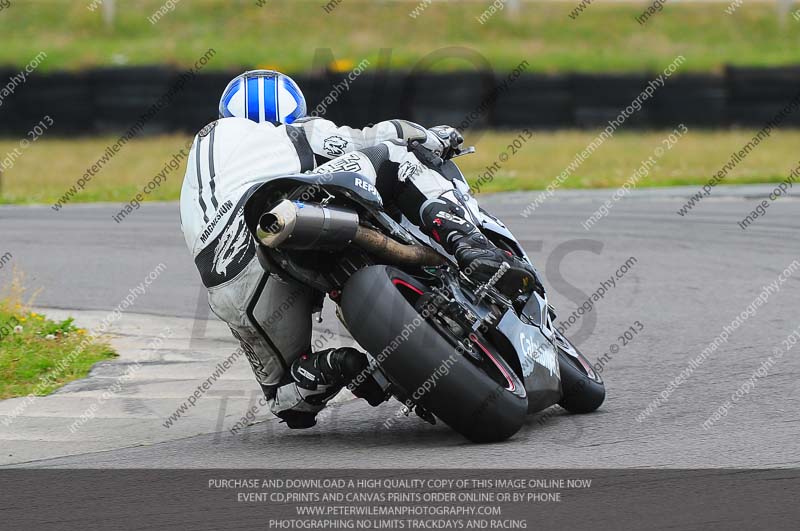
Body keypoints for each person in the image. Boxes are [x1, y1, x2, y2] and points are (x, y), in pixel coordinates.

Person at [180, 70, 535, 429]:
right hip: (288, 206)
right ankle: (472, 248)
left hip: (230, 282)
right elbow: (372, 137)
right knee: (396, 156)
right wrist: (430, 137)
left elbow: (286, 408)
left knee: (286, 398)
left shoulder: (196, 165)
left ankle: (341, 366)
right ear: (293, 111)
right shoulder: (296, 129)